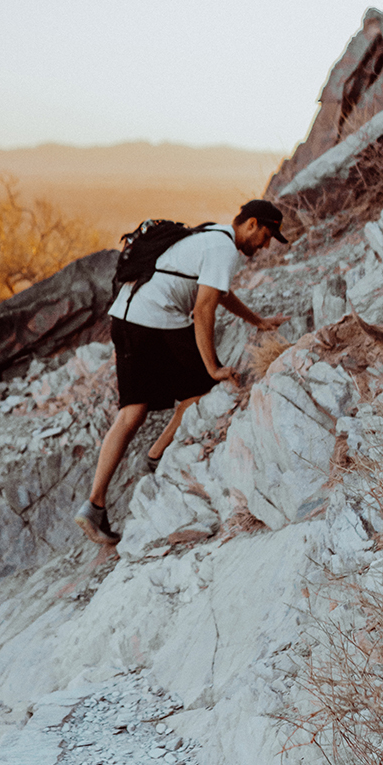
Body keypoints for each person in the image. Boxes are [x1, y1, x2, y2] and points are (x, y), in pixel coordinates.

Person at [74, 199, 289, 545]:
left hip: (126, 317)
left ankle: (93, 506)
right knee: (203, 390)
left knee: (132, 412)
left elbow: (219, 293)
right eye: (266, 235)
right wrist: (213, 367)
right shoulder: (224, 248)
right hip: (157, 320)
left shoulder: (209, 235)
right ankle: (157, 455)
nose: (265, 245)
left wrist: (257, 321)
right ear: (251, 224)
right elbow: (204, 308)